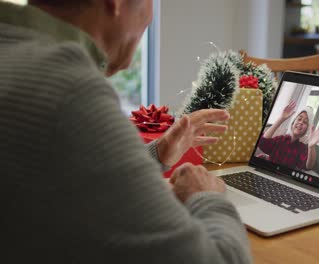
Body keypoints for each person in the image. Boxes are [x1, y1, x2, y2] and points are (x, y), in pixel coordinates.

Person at [0, 1, 251, 263]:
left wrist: (156, 154)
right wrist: (205, 196)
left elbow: (67, 172)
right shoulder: (70, 91)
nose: (150, 17)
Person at [257, 101, 319, 170]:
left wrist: (311, 146)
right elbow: (263, 143)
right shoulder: (280, 139)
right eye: (299, 119)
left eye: (305, 122)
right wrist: (281, 119)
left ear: (307, 130)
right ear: (293, 123)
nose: (301, 122)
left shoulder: (302, 148)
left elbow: (308, 166)